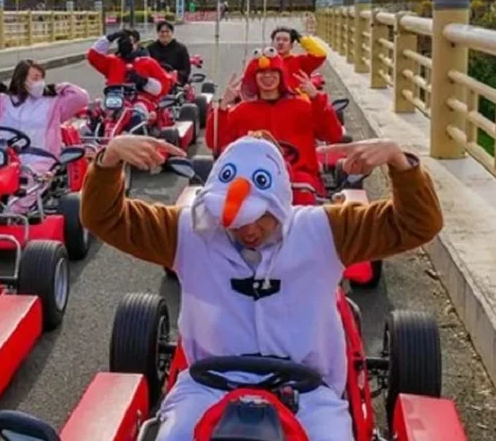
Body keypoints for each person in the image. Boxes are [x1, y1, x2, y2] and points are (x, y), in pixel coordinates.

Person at [80, 133, 443, 440]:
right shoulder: (189, 231)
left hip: (309, 393)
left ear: (280, 201)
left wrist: (399, 161)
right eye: (237, 221)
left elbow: (418, 224)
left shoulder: (324, 230)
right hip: (207, 386)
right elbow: (103, 217)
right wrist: (109, 160)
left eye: (260, 218)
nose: (249, 231)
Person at [205, 47, 343, 200]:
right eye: (262, 73)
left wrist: (317, 98)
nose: (267, 76)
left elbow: (334, 135)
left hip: (298, 176)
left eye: (273, 72)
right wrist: (223, 106)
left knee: (304, 197)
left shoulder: (302, 106)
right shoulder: (241, 111)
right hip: (253, 175)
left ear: (281, 75)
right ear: (253, 77)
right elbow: (214, 143)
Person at [0, 60, 89, 210]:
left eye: (41, 78)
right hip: (2, 157)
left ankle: (10, 215)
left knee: (27, 181)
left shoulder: (53, 103)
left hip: (40, 158)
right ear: (21, 79)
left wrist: (58, 87)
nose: (40, 83)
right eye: (35, 78)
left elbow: (81, 97)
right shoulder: (2, 101)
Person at [87, 28, 171, 130]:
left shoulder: (148, 62)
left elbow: (163, 88)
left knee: (137, 112)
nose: (125, 44)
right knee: (96, 113)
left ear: (136, 44)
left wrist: (143, 81)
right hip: (114, 101)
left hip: (141, 101)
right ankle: (99, 135)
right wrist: (110, 37)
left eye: (129, 41)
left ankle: (135, 136)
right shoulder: (112, 62)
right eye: (122, 40)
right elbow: (93, 56)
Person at [270, 26, 328, 92]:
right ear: (272, 43)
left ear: (291, 45)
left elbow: (320, 55)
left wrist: (301, 39)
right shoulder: (265, 61)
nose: (280, 43)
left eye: (285, 40)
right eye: (277, 39)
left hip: (296, 99)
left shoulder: (299, 61)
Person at [146, 20, 192, 86]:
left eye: (167, 32)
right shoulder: (151, 48)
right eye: (162, 32)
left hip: (175, 82)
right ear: (158, 33)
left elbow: (186, 70)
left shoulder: (181, 49)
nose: (164, 34)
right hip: (156, 83)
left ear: (172, 32)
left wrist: (175, 74)